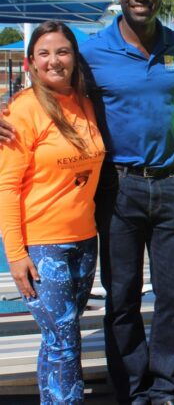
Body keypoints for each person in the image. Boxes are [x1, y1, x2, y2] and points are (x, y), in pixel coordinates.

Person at [79, 0, 174, 404]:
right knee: (122, 297)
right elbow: (53, 89)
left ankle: (164, 387)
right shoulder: (93, 51)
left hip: (172, 185)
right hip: (117, 187)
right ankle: (132, 387)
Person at [0, 21, 105, 404]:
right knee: (64, 340)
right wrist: (15, 255)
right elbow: (7, 187)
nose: (54, 60)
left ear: (75, 58)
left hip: (83, 239)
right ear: (30, 63)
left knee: (58, 338)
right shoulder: (21, 111)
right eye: (43, 53)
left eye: (62, 51)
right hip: (44, 247)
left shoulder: (86, 104)